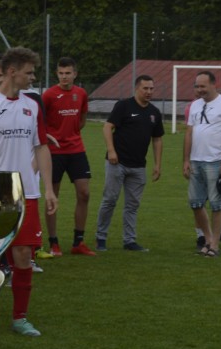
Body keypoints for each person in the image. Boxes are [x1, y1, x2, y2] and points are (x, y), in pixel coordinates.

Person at [0, 46, 57, 337]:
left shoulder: (32, 106)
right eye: (29, 72)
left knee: (22, 256)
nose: (32, 78)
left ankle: (20, 318)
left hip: (27, 193)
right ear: (12, 71)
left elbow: (41, 147)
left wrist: (49, 189)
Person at [94, 75, 164, 252]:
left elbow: (157, 139)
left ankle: (129, 241)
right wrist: (111, 150)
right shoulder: (124, 106)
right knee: (110, 200)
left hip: (139, 166)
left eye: (151, 89)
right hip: (117, 163)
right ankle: (101, 238)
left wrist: (157, 164)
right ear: (136, 88)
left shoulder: (154, 113)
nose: (149, 92)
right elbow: (107, 127)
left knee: (132, 205)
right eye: (145, 88)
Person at [182, 70, 221, 258]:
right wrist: (186, 160)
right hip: (196, 162)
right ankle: (207, 240)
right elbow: (189, 133)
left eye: (203, 86)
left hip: (216, 161)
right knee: (195, 203)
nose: (199, 90)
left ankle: (215, 245)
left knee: (216, 205)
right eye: (197, 86)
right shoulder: (195, 105)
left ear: (214, 85)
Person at [42, 57, 94, 257]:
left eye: (68, 73)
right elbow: (40, 122)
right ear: (57, 74)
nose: (64, 77)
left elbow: (82, 120)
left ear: (75, 74)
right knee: (52, 197)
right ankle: (53, 242)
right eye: (61, 73)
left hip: (76, 150)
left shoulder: (81, 93)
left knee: (84, 193)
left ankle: (78, 242)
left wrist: (71, 135)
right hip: (54, 153)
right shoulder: (48, 95)